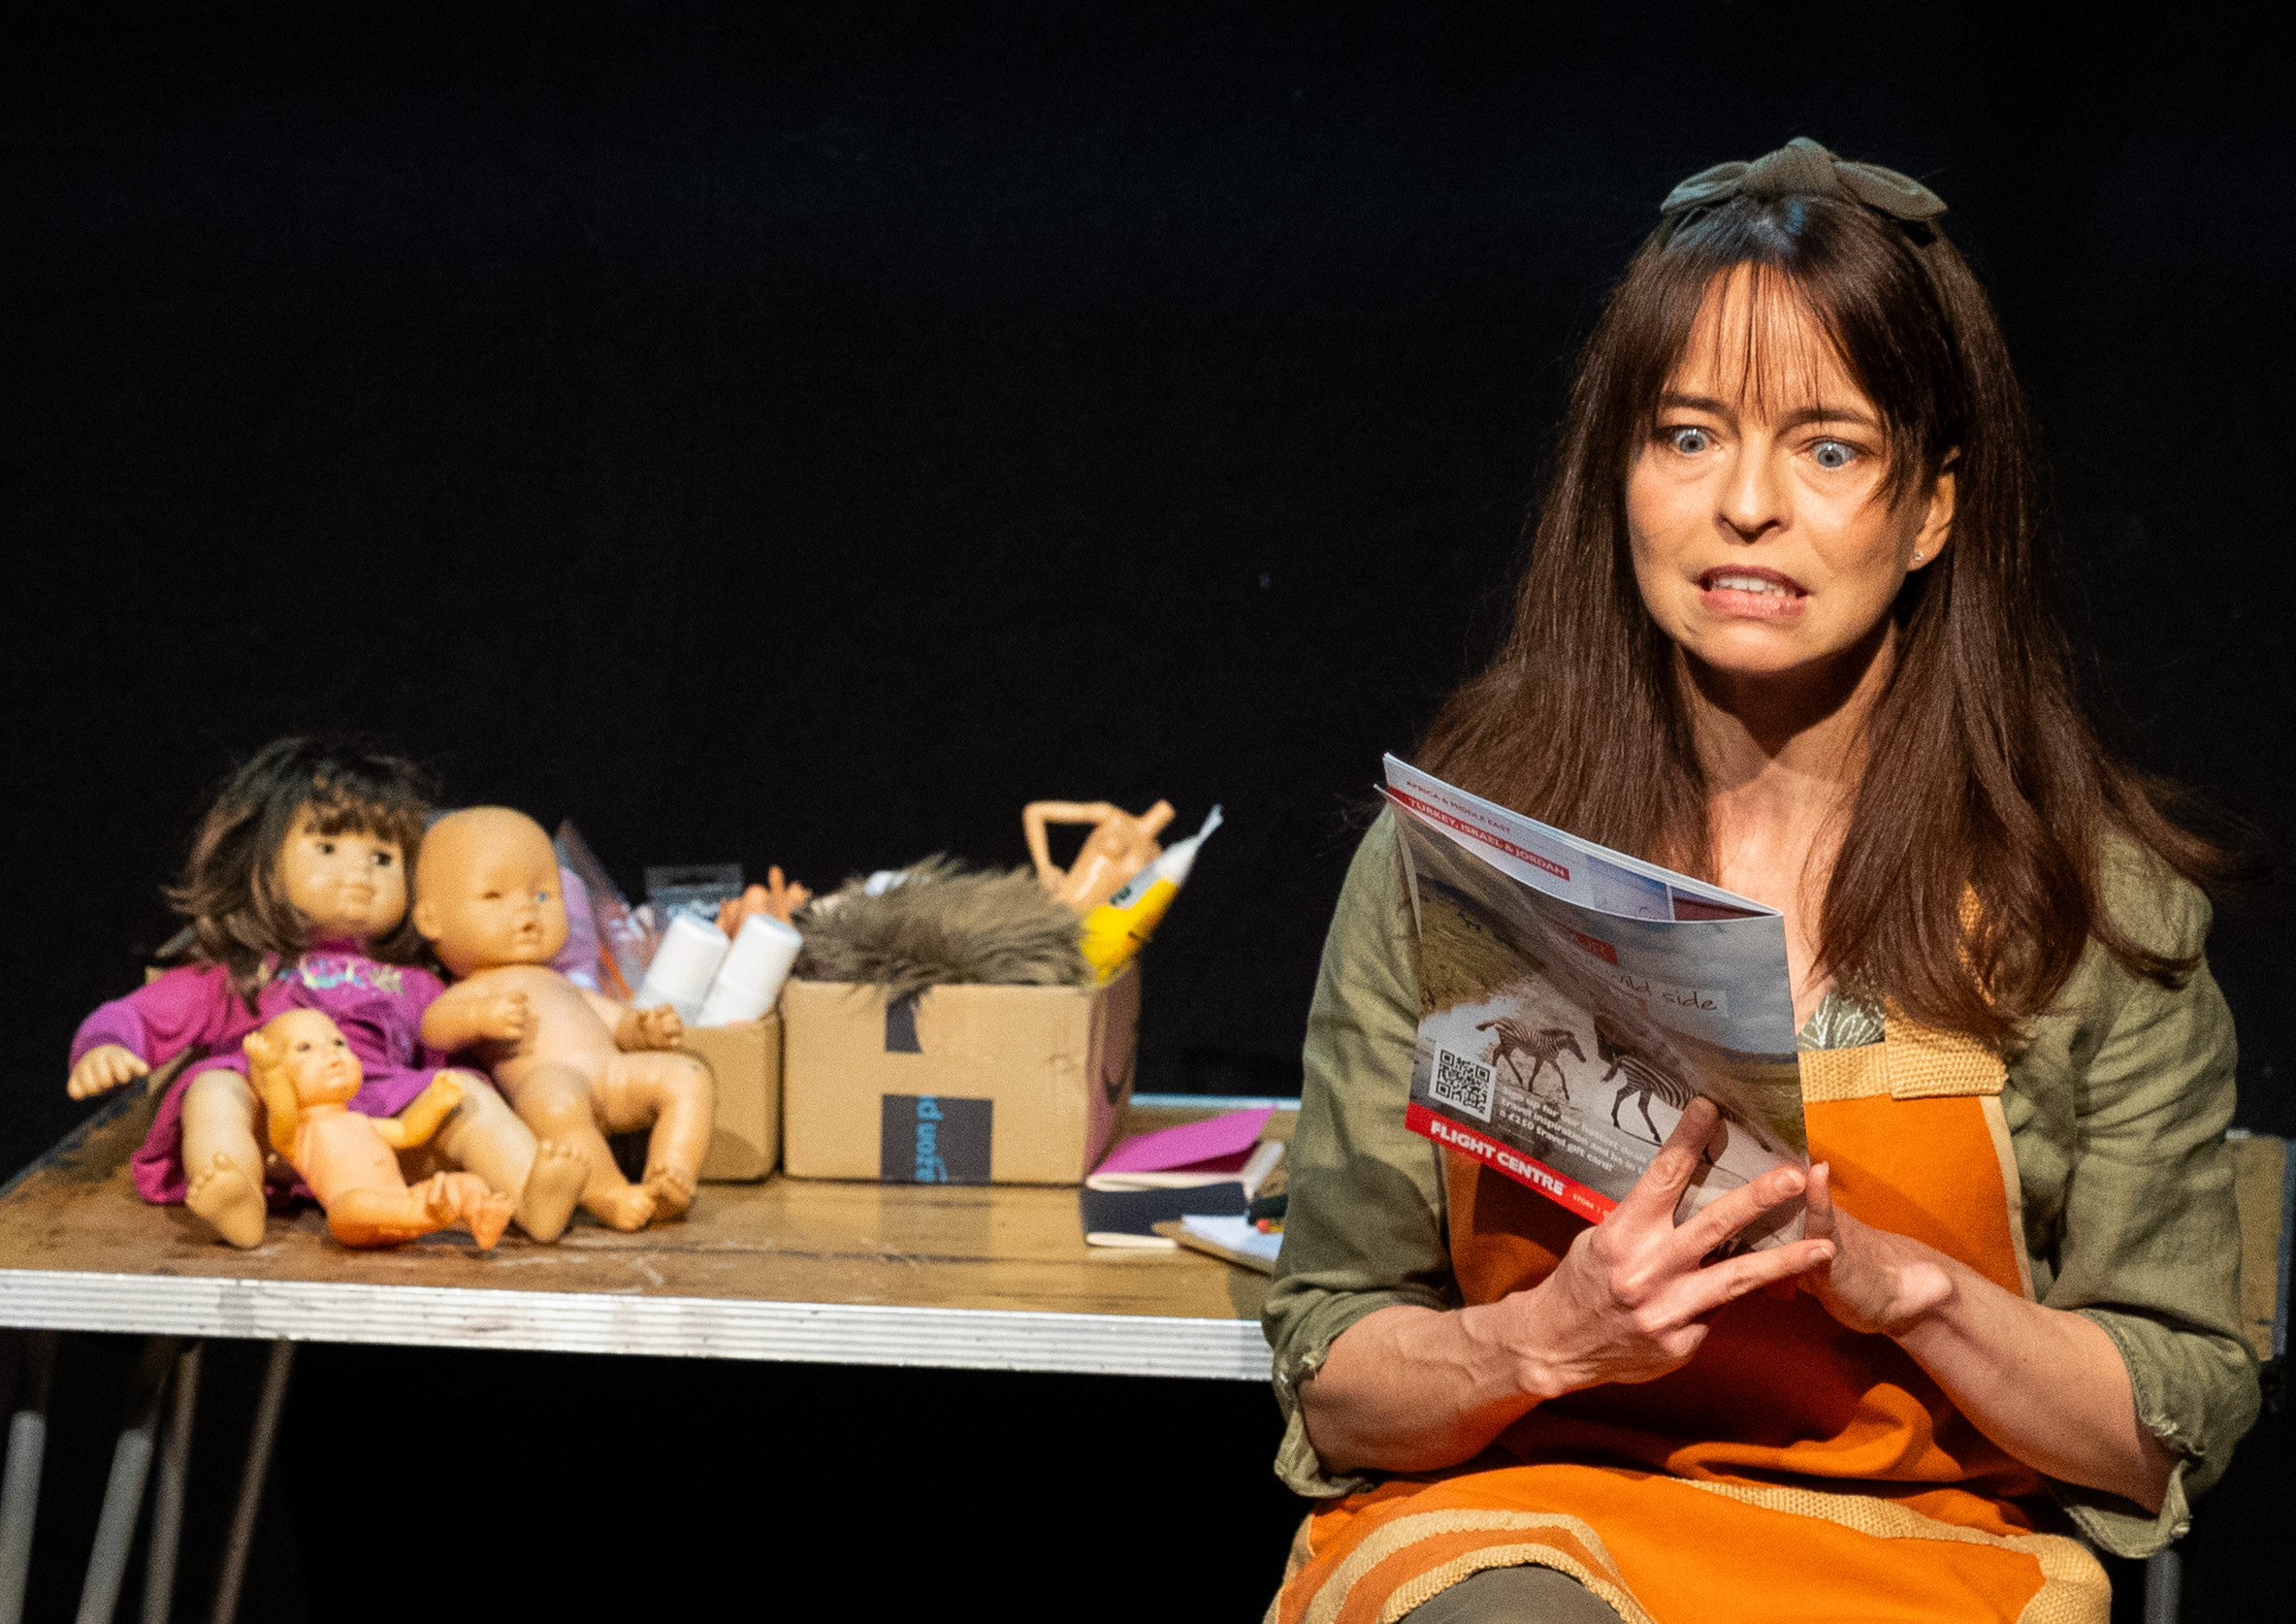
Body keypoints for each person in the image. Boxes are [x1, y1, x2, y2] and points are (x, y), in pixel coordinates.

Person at [1262, 139, 2259, 1624]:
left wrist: (1911, 1290)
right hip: (1536, 1528)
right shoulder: (1455, 876)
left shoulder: (2085, 907)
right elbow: (1337, 1367)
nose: (1746, 504)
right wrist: (1545, 1338)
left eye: (1828, 448)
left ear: (1932, 508)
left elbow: (2167, 1414)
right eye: (1688, 435)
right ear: (1621, 475)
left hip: (1924, 1554)